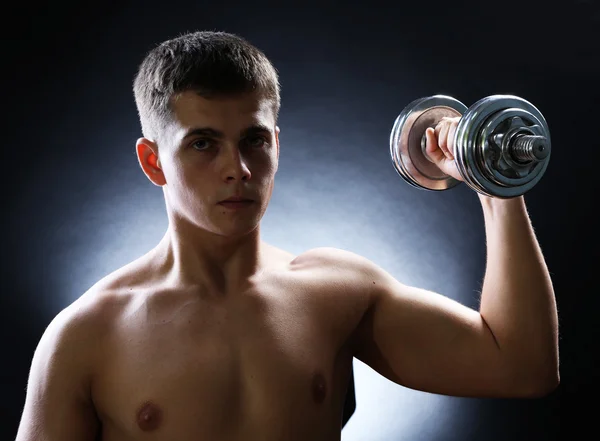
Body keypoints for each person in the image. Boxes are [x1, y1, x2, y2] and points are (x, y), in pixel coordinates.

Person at [15, 31, 559, 441]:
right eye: (203, 144)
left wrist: (495, 186)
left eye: (253, 140)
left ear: (276, 144)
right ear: (153, 161)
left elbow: (521, 367)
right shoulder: (86, 337)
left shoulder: (334, 294)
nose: (239, 169)